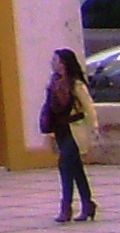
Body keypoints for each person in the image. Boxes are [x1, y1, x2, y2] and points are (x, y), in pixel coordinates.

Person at [40, 49, 99, 221]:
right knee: (75, 169)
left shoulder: (76, 85)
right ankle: (88, 204)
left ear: (64, 63)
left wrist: (93, 128)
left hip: (74, 130)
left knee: (66, 166)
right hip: (61, 130)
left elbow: (88, 107)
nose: (53, 63)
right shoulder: (54, 83)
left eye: (56, 60)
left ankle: (66, 208)